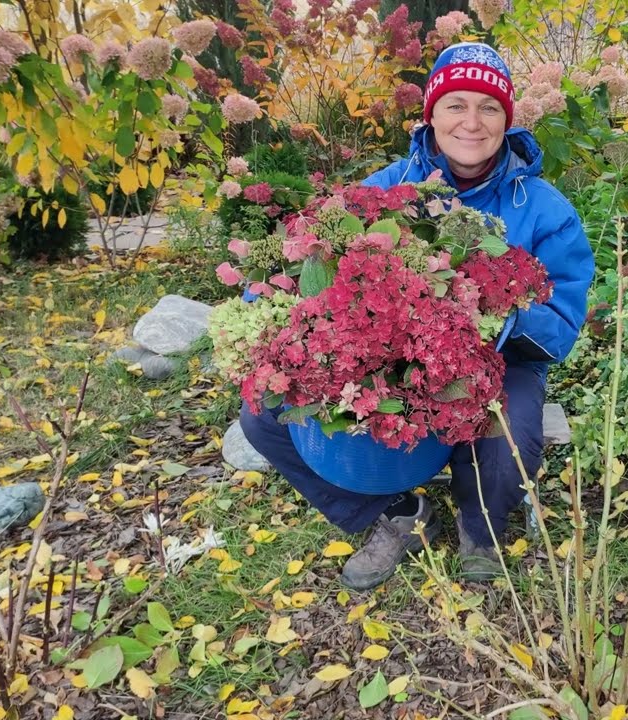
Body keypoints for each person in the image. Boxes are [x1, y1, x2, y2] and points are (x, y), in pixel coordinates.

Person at [240, 42, 594, 590]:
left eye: (489, 107)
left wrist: (503, 321)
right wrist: (272, 302)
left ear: (507, 119)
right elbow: (314, 247)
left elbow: (563, 323)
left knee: (509, 431)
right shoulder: (387, 188)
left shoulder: (545, 210)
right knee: (266, 417)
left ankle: (482, 529)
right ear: (432, 113)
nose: (471, 122)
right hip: (381, 348)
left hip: (503, 353)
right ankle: (394, 513)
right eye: (456, 105)